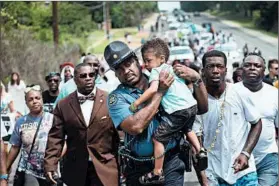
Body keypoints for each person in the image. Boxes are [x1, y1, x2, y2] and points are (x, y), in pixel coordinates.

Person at [104, 40, 208, 186]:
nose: (126, 71)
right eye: (119, 69)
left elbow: (201, 108)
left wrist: (197, 79)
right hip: (139, 167)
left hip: (171, 162)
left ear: (136, 61)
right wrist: (160, 93)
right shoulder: (117, 97)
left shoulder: (162, 75)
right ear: (115, 74)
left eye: (128, 64)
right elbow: (136, 126)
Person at [193, 50, 262, 185]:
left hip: (243, 171)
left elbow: (257, 123)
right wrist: (202, 177)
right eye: (210, 67)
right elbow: (195, 142)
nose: (215, 71)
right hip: (213, 172)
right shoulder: (196, 101)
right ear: (203, 71)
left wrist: (246, 153)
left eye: (219, 66)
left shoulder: (240, 92)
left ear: (226, 70)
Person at [44, 63, 120, 186]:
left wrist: (121, 164)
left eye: (91, 75)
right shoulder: (63, 105)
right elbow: (56, 138)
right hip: (75, 170)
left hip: (105, 168)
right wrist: (50, 164)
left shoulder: (109, 100)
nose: (88, 78)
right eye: (83, 76)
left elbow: (119, 135)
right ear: (75, 79)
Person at [234, 53, 278, 186]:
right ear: (242, 69)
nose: (252, 68)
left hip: (267, 157)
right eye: (248, 65)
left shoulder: (275, 94)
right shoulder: (231, 92)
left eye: (257, 66)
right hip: (237, 158)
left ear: (264, 70)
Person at [7, 85, 56, 186]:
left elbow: (63, 143)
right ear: (26, 103)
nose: (34, 101)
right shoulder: (21, 122)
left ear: (42, 99)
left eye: (37, 98)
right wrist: (5, 170)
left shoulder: (53, 119)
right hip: (28, 170)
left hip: (50, 170)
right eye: (31, 99)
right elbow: (15, 147)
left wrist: (54, 161)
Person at [54, 55, 119, 106]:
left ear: (99, 66)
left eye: (95, 65)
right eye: (89, 64)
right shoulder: (67, 87)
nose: (92, 68)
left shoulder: (107, 88)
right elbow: (56, 110)